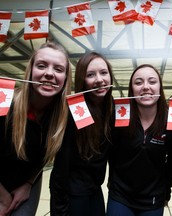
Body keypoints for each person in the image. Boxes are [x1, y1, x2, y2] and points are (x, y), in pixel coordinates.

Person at [0, 41, 72, 216]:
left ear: (65, 78)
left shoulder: (63, 116)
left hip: (28, 179)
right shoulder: (5, 104)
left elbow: (45, 157)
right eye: (41, 66)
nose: (49, 73)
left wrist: (29, 183)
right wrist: (2, 198)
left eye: (58, 69)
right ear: (30, 70)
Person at [106, 64, 172, 216]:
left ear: (160, 88)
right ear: (132, 89)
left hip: (153, 199)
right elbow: (111, 154)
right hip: (120, 197)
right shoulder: (120, 116)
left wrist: (166, 192)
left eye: (152, 82)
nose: (146, 87)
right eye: (138, 82)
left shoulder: (171, 120)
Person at [49, 52, 114, 216]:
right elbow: (61, 166)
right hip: (74, 193)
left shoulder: (111, 107)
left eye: (104, 72)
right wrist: (60, 210)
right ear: (82, 80)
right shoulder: (76, 110)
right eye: (90, 74)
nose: (99, 79)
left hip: (95, 190)